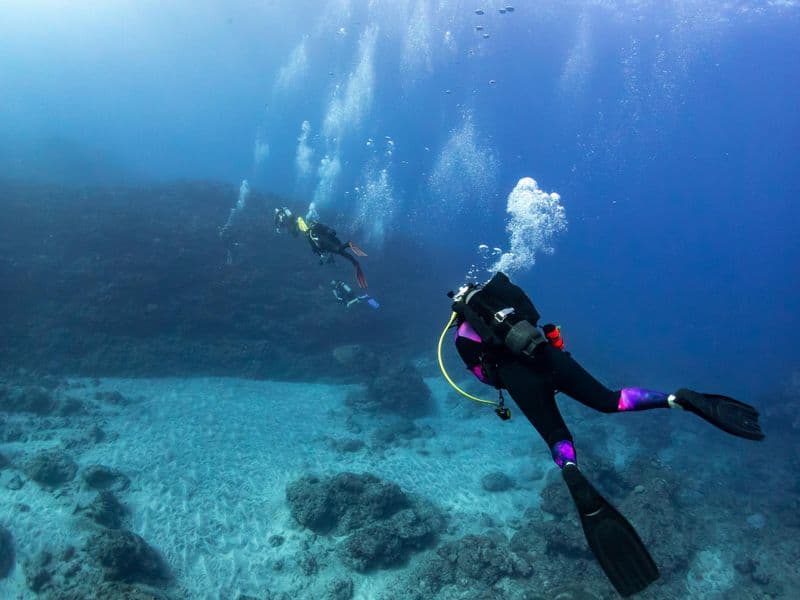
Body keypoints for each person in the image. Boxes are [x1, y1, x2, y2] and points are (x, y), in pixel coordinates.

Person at [438, 271, 764, 597]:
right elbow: (541, 324)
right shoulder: (505, 300)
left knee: (556, 434)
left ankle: (570, 469)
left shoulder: (461, 337)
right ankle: (675, 400)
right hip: (549, 357)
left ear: (458, 311)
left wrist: (504, 370)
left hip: (518, 378)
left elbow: (487, 379)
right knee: (609, 400)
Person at [274, 207, 368, 289]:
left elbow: (302, 235)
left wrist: (320, 255)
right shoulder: (299, 222)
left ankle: (349, 246)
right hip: (321, 233)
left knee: (337, 250)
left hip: (316, 235)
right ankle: (354, 262)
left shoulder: (299, 224)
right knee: (339, 250)